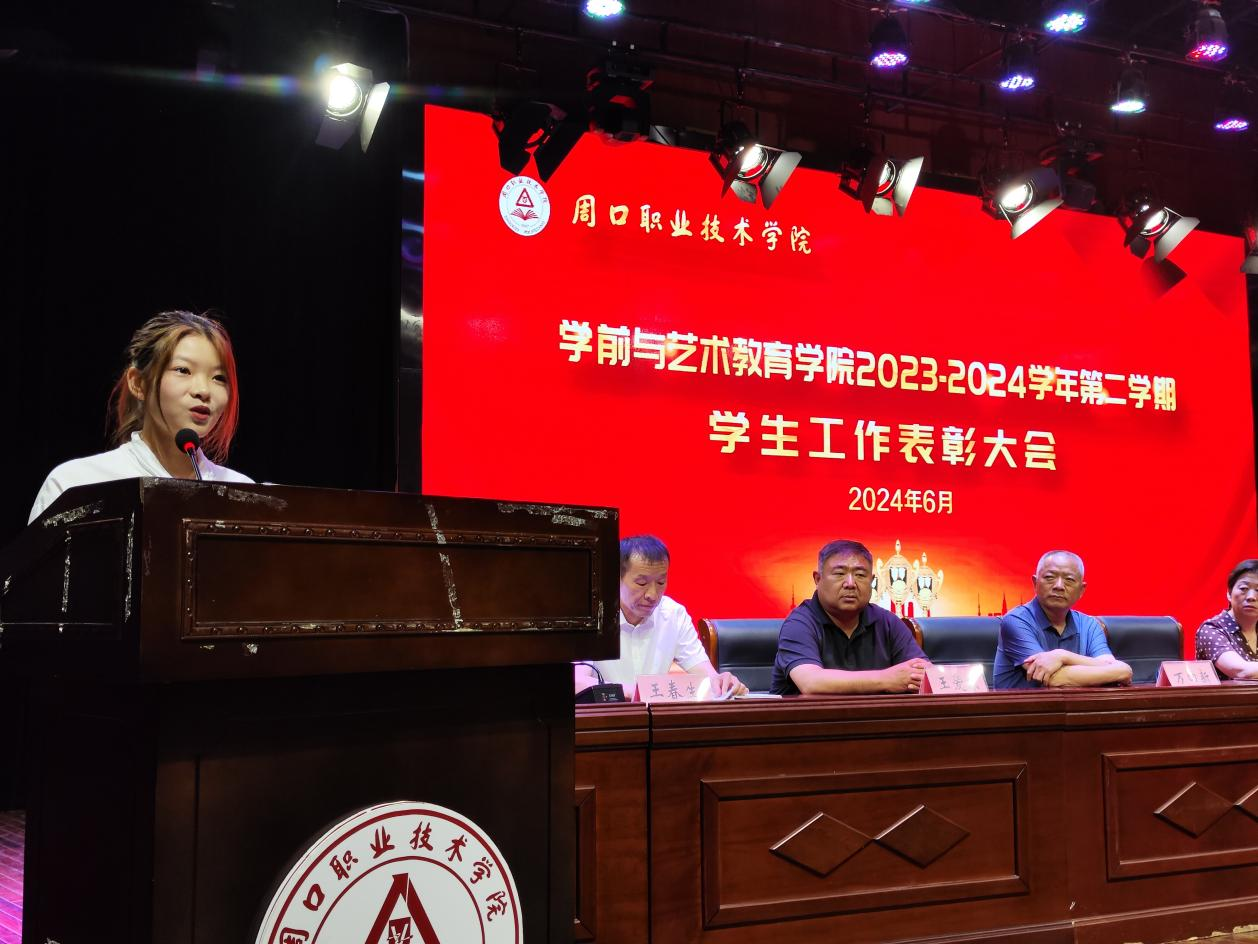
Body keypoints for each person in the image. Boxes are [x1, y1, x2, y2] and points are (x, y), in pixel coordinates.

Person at [29, 310, 252, 523]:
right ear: (138, 383)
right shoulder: (77, 484)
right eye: (183, 370)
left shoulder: (246, 495)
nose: (203, 390)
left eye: (219, 377)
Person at [574, 535, 747, 700]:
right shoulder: (588, 615)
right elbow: (576, 682)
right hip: (603, 716)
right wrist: (635, 692)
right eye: (641, 583)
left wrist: (723, 683)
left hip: (654, 717)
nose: (652, 594)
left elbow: (706, 676)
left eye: (661, 582)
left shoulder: (673, 614)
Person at [770, 539, 930, 695]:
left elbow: (927, 675)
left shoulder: (887, 622)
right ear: (818, 579)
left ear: (872, 581)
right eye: (839, 574)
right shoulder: (800, 623)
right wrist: (888, 679)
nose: (850, 583)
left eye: (860, 575)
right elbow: (811, 682)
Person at [993, 550, 1132, 689]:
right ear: (1035, 583)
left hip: (1078, 703)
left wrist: (1062, 656)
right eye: (1050, 577)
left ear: (1082, 590)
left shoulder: (1090, 625)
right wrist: (1121, 670)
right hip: (1025, 703)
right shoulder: (1016, 621)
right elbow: (1054, 679)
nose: (1059, 586)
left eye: (1069, 580)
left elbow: (1112, 667)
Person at [1195, 559, 1258, 679]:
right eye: (1244, 588)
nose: (1251, 597)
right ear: (1229, 593)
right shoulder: (1212, 629)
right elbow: (1241, 671)